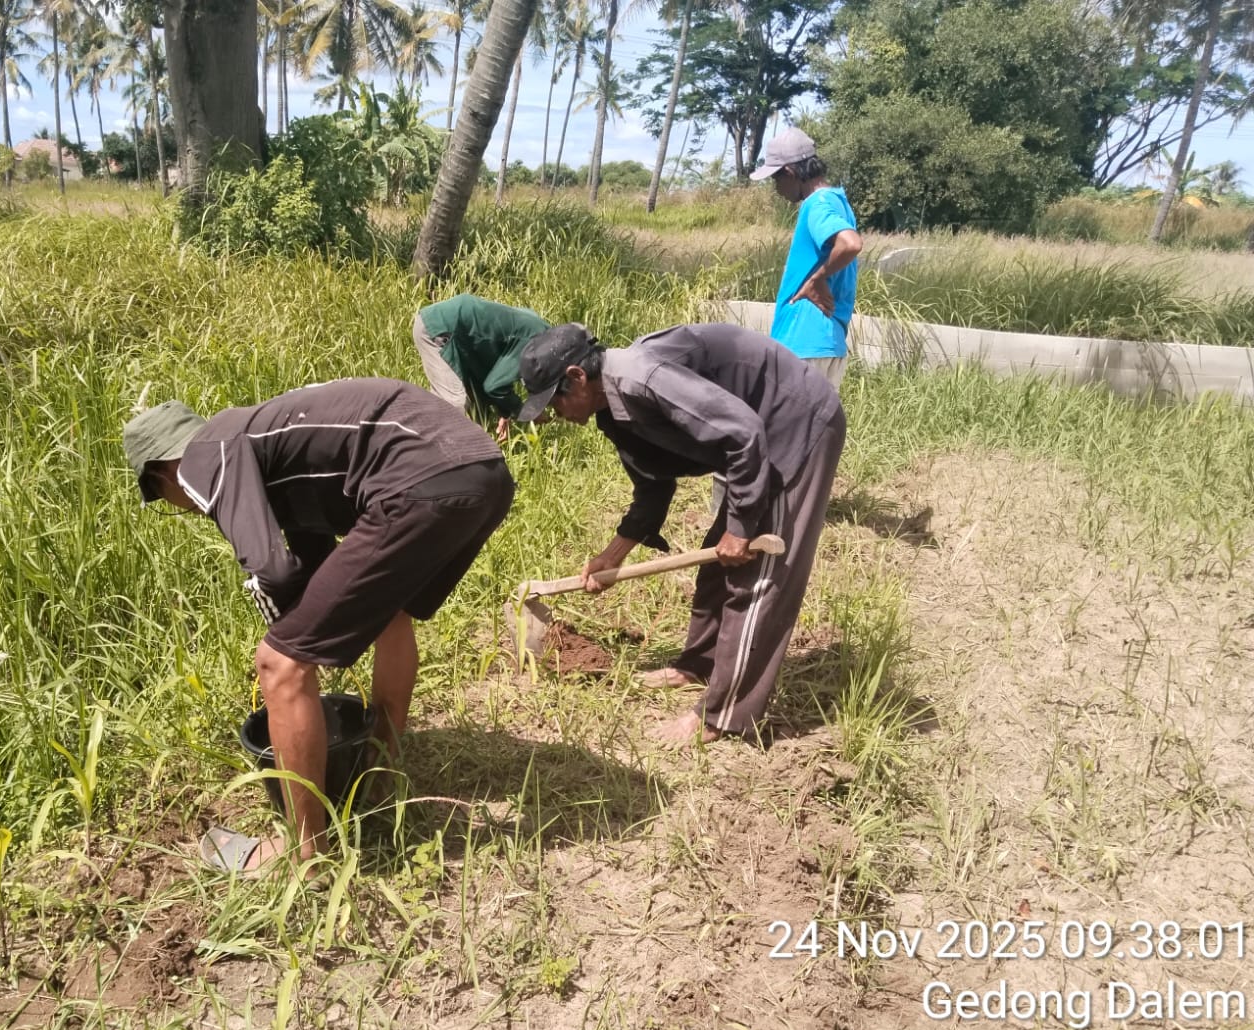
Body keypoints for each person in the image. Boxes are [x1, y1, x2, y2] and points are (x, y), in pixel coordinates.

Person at [123, 379, 514, 876]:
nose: (183, 507)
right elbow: (313, 563)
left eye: (163, 498)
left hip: (420, 478)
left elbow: (273, 571)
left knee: (278, 665)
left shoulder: (206, 454)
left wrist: (287, 647)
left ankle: (306, 855)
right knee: (389, 612)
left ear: (163, 474)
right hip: (481, 469)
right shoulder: (266, 447)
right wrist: (308, 631)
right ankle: (379, 777)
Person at [518, 322, 845, 747]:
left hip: (795, 424)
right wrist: (612, 555)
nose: (553, 415)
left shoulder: (643, 378)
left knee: (756, 580)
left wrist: (742, 526)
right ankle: (698, 665)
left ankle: (721, 715)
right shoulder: (612, 410)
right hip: (755, 439)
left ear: (577, 377)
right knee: (717, 564)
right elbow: (653, 484)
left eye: (553, 401)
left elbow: (743, 431)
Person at [706, 129, 861, 517]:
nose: (776, 188)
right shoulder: (839, 200)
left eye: (777, 178)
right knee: (803, 441)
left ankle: (730, 523)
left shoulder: (817, 203)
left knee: (751, 433)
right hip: (828, 342)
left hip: (802, 343)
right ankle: (786, 518)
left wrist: (816, 279)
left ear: (792, 172)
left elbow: (850, 244)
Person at [412, 294, 551, 442]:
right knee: (454, 406)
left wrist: (505, 411)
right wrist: (523, 411)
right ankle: (422, 445)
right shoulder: (533, 344)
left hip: (463, 338)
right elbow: (495, 386)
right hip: (438, 328)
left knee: (479, 410)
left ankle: (477, 448)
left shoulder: (542, 333)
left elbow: (501, 370)